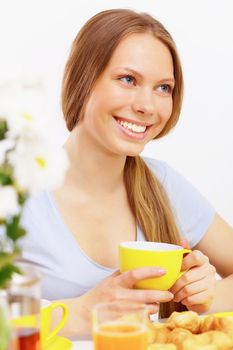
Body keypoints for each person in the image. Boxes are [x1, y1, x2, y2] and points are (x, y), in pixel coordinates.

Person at [20, 8, 233, 336]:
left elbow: (209, 297)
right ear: (83, 78)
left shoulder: (164, 185)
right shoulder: (17, 191)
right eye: (128, 79)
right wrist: (80, 313)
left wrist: (204, 297)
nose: (147, 106)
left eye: (163, 88)